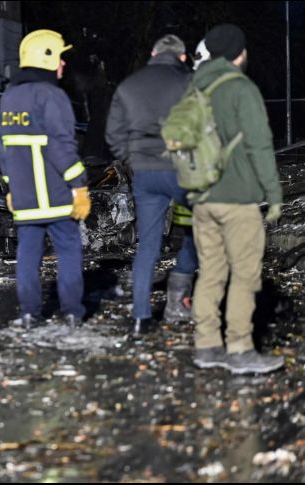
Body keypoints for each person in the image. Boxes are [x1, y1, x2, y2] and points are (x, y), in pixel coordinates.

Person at [189, 24, 284, 374]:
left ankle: (207, 345)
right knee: (245, 274)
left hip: (201, 197)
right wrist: (273, 193)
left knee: (211, 272)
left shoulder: (195, 86)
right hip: (238, 198)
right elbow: (260, 144)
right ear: (240, 54)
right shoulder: (241, 88)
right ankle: (241, 348)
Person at [0, 29, 91, 328]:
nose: (63, 64)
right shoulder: (52, 95)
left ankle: (28, 313)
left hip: (24, 198)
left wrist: (11, 187)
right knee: (69, 253)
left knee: (27, 256)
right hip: (58, 195)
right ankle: (73, 312)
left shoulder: (8, 98)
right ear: (47, 59)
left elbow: (3, 147)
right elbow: (62, 145)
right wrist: (80, 186)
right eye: (60, 57)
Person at [105, 34, 197, 335]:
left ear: (152, 53)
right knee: (198, 231)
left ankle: (140, 317)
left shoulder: (129, 85)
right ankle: (178, 296)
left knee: (147, 246)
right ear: (182, 57)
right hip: (181, 168)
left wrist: (129, 158)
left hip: (144, 171)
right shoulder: (189, 83)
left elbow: (113, 133)